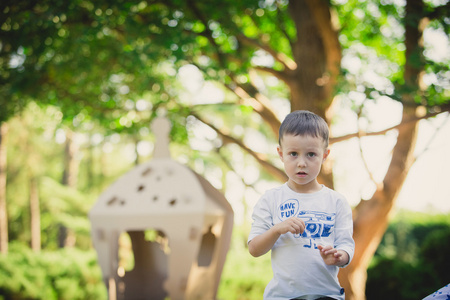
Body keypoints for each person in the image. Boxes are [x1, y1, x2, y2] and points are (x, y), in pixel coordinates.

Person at [248, 110, 355, 300]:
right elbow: (254, 249)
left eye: (311, 154)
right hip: (282, 296)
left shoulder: (336, 201)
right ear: (281, 154)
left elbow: (346, 244)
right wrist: (277, 229)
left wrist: (340, 255)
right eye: (293, 154)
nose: (302, 163)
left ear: (325, 155)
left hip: (327, 295)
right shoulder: (271, 199)